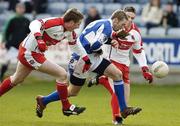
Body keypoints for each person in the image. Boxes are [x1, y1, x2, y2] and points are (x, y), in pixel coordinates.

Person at [35, 9, 142, 120]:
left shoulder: (101, 22)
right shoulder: (107, 28)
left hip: (92, 57)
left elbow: (90, 37)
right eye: (122, 24)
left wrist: (111, 39)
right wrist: (103, 46)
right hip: (82, 60)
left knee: (117, 75)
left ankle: (124, 109)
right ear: (115, 20)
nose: (123, 28)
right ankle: (44, 100)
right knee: (72, 91)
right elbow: (94, 45)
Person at [0, 8, 91, 116]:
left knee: (16, 79)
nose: (78, 26)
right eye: (78, 24)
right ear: (71, 22)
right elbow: (34, 23)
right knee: (62, 74)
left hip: (32, 53)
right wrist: (39, 39)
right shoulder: (55, 23)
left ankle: (44, 102)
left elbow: (76, 44)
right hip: (29, 53)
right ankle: (66, 107)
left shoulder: (69, 32)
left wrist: (86, 59)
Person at [88, 6, 153, 125]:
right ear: (121, 16)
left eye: (132, 18)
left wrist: (145, 68)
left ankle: (102, 80)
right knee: (118, 93)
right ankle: (116, 120)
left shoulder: (135, 33)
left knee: (125, 101)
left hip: (125, 64)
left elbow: (138, 51)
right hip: (110, 61)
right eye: (127, 17)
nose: (129, 20)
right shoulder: (112, 26)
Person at [0, 3, 30, 82]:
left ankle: (19, 80)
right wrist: (3, 42)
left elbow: (29, 33)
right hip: (12, 45)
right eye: (19, 8)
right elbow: (6, 32)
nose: (20, 10)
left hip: (22, 45)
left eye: (22, 8)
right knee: (6, 62)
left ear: (24, 9)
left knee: (20, 64)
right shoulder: (12, 20)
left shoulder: (26, 21)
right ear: (16, 9)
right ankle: (1, 77)